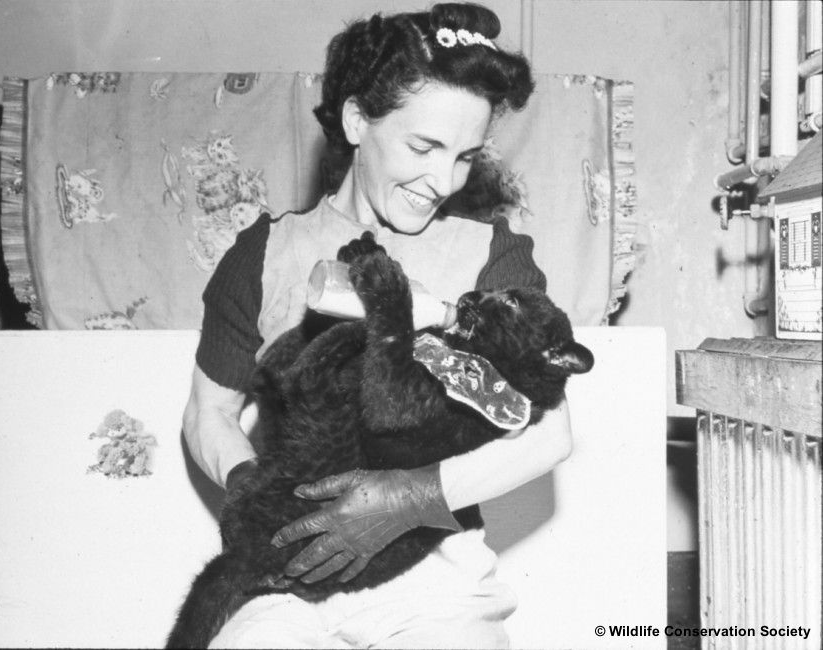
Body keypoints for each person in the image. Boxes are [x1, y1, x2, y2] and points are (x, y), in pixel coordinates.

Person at [182, 3, 573, 647]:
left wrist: (409, 499)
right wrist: (256, 492)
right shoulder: (265, 255)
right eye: (423, 146)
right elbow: (208, 414)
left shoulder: (490, 256)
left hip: (433, 575)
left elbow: (549, 435)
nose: (442, 181)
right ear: (358, 118)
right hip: (293, 571)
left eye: (466, 156)